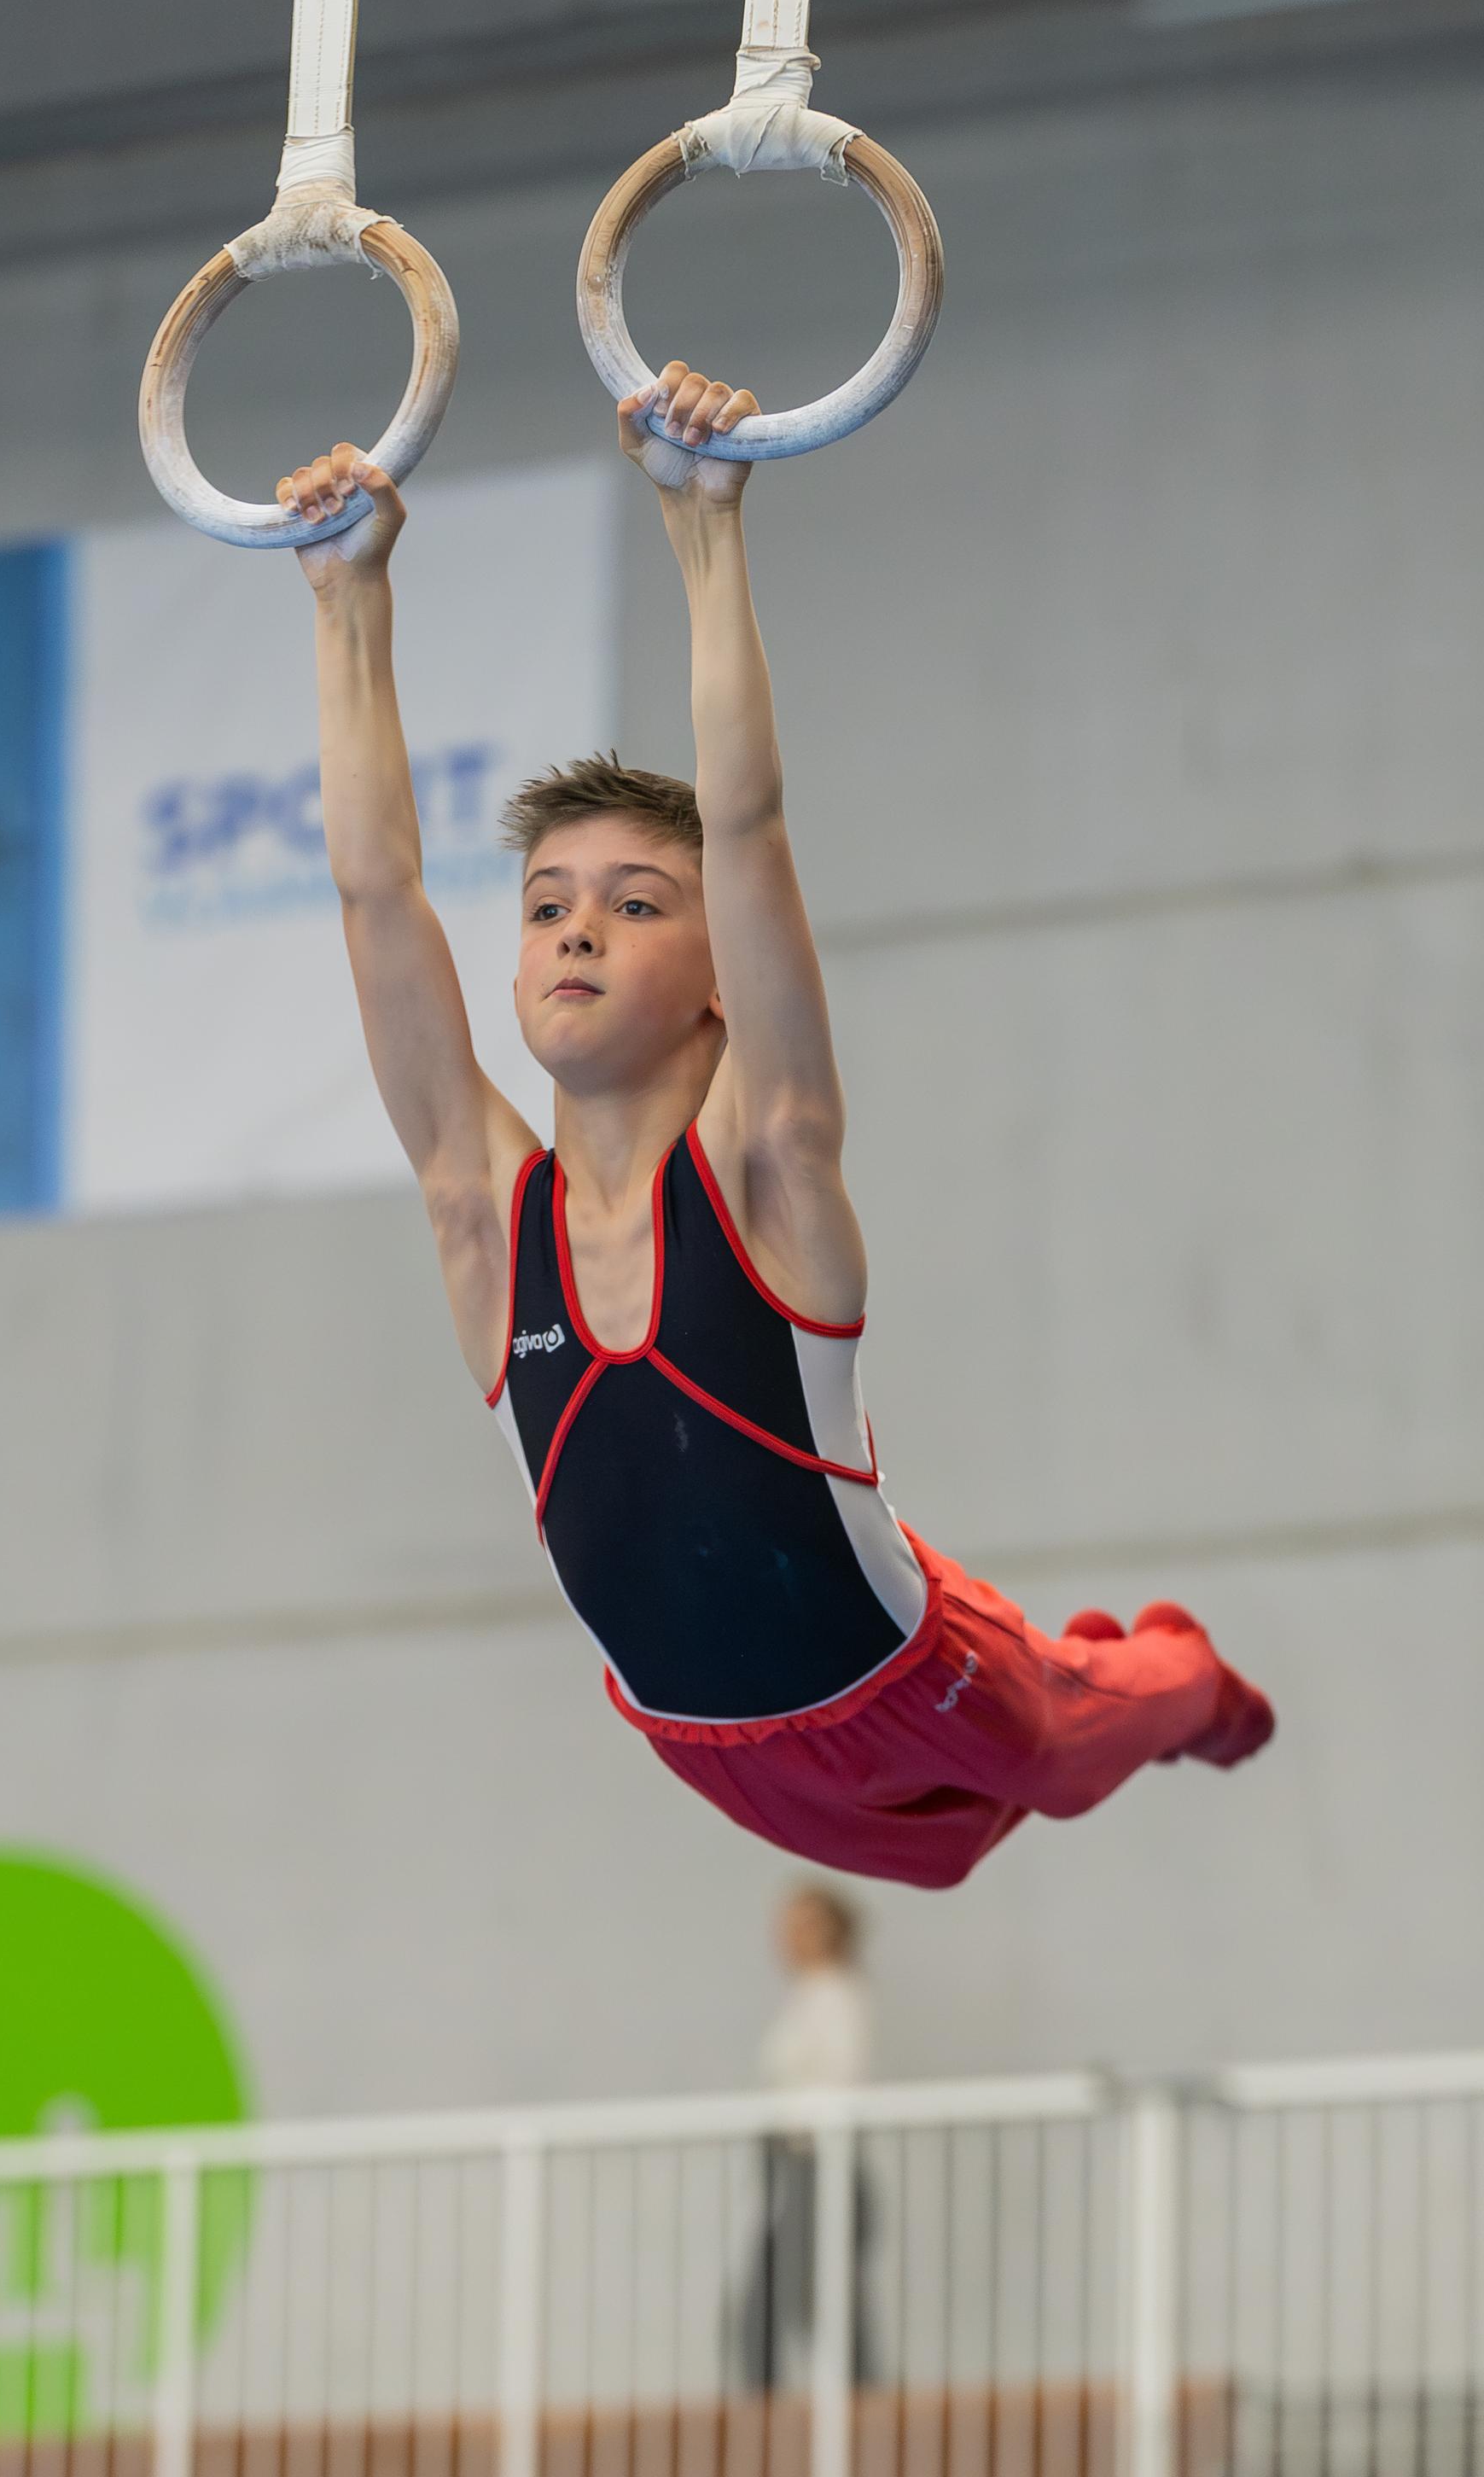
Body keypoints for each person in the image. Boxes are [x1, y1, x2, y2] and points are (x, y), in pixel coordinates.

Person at [275, 360, 1274, 1892]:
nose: (575, 931)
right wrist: (346, 599)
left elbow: (746, 828)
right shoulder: (486, 1216)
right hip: (706, 1749)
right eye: (545, 908)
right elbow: (373, 893)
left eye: (634, 905)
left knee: (1080, 1744)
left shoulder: (763, 1165)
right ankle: (1077, 1729)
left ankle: (1187, 1679)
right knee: (940, 1869)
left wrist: (707, 525)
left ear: (719, 986)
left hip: (921, 1681)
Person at [740, 1885, 876, 2389]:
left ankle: (865, 2408)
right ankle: (764, 2407)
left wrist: (799, 2131)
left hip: (818, 2161)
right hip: (794, 2163)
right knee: (774, 2299)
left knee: (818, 2297)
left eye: (805, 1924)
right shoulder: (806, 1997)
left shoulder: (836, 1994)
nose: (790, 1936)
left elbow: (843, 2077)